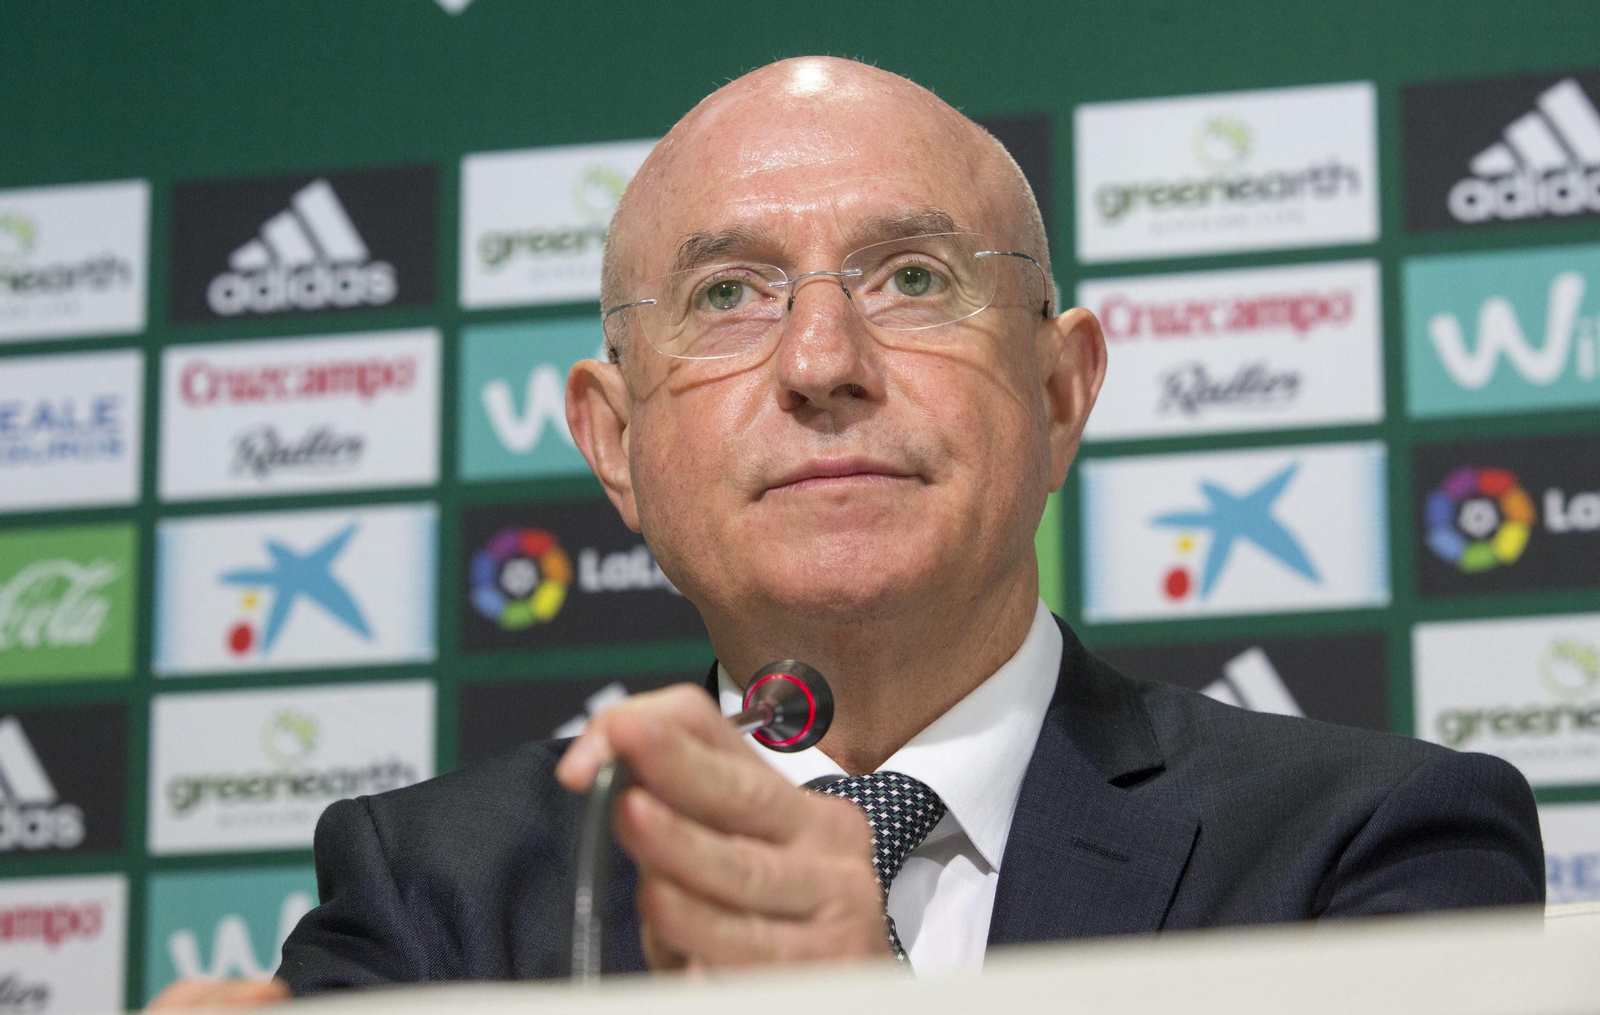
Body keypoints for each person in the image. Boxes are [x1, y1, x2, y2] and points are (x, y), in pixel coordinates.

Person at [150, 56, 1542, 1007]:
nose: (822, 359)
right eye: (728, 297)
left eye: (914, 278)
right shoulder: (434, 896)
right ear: (616, 442)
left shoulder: (1373, 849)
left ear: (1061, 392)